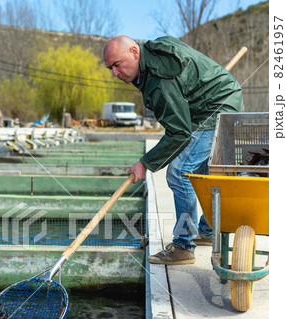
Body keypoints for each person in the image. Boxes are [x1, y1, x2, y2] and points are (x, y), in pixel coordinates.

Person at [103, 35, 244, 265]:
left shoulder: (160, 77)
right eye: (110, 68)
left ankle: (183, 245)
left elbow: (180, 133)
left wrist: (145, 163)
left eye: (117, 65)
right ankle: (208, 231)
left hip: (219, 107)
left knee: (179, 172)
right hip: (210, 104)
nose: (114, 74)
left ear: (134, 52)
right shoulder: (150, 60)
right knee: (203, 170)